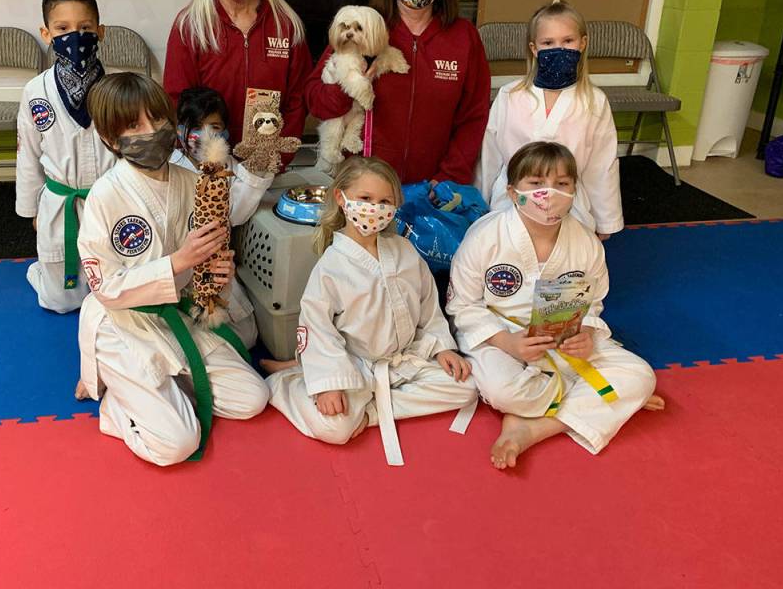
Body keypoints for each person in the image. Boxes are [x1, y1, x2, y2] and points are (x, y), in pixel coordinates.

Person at [75, 72, 269, 467]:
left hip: (177, 315)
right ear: (111, 139)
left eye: (158, 120)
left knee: (253, 399)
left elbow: (204, 264)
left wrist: (216, 274)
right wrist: (180, 260)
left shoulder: (192, 181)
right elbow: (107, 289)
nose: (152, 132)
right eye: (134, 125)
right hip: (124, 324)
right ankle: (118, 409)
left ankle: (159, 392)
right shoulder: (105, 196)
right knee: (176, 444)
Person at [446, 142, 662, 470]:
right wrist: (508, 343)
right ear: (512, 190)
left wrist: (585, 333)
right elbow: (463, 305)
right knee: (504, 392)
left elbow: (592, 302)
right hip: (499, 336)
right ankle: (602, 403)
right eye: (536, 184)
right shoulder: (485, 237)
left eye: (562, 184)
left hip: (563, 335)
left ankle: (531, 427)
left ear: (575, 189)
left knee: (641, 376)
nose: (549, 193)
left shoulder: (585, 242)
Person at [265, 156, 477, 465]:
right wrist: (329, 385)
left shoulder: (404, 251)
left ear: (394, 207)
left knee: (467, 387)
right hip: (355, 366)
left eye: (384, 201)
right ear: (341, 198)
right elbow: (319, 330)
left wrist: (442, 347)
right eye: (365, 199)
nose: (374, 208)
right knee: (335, 429)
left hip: (403, 360)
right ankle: (289, 384)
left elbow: (429, 307)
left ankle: (372, 412)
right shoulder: (331, 268)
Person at [304, 0, 491, 185]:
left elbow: (474, 115)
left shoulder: (463, 37)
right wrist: (347, 87)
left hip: (432, 187)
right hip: (364, 182)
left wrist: (450, 176)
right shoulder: (364, 26)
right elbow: (315, 101)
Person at [476, 0, 623, 239]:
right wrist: (479, 206)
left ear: (582, 43)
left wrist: (606, 221)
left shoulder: (594, 101)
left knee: (564, 268)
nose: (559, 49)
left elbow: (601, 165)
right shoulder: (510, 95)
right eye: (548, 42)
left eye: (568, 41)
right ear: (534, 49)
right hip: (512, 203)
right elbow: (489, 155)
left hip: (568, 204)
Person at [164, 0, 311, 149]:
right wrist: (199, 156)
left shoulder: (285, 25)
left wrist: (279, 156)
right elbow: (177, 100)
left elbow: (298, 99)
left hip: (267, 160)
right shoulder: (190, 26)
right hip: (207, 162)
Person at [16, 0, 115, 313]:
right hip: (61, 203)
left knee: (114, 295)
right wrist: (31, 210)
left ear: (100, 31)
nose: (75, 36)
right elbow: (28, 154)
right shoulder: (35, 91)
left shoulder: (116, 88)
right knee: (60, 302)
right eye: (63, 28)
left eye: (85, 27)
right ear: (47, 34)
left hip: (109, 201)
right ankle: (44, 273)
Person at [169, 86, 274, 348]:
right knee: (181, 331)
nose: (206, 135)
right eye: (196, 126)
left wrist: (257, 168)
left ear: (226, 130)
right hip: (180, 263)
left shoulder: (229, 167)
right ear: (180, 129)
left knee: (247, 336)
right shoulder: (169, 166)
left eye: (214, 127)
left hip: (218, 263)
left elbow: (234, 215)